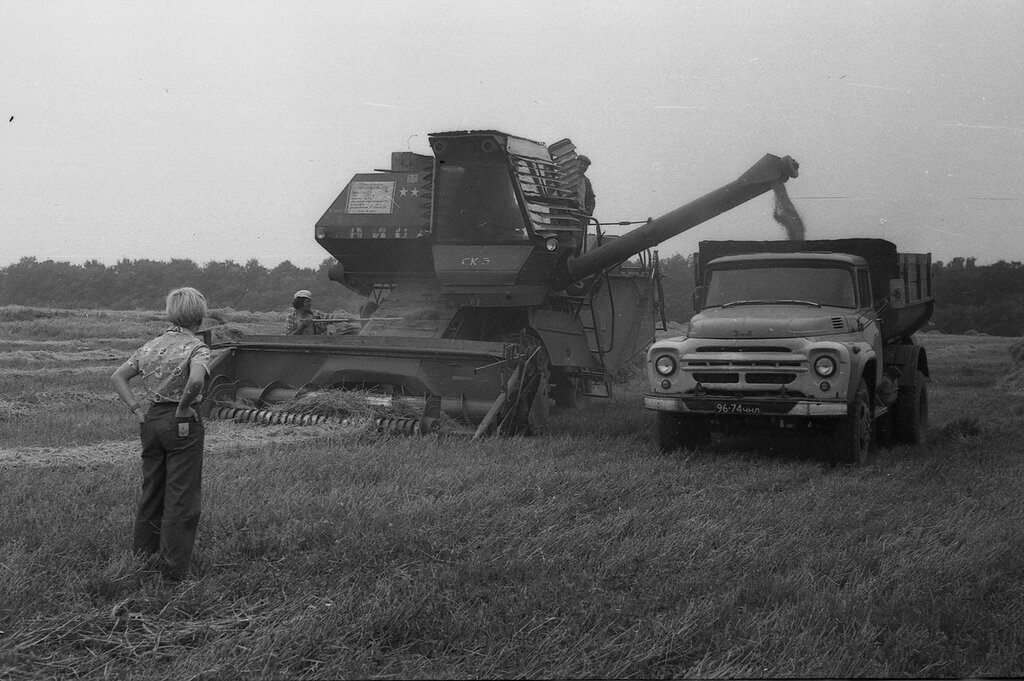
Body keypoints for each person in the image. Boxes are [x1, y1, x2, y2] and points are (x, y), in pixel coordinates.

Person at [110, 287, 211, 582]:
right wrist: (183, 408)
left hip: (151, 421)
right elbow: (195, 381)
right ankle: (172, 570)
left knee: (152, 491)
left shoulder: (151, 346)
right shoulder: (197, 348)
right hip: (181, 424)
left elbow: (118, 377)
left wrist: (137, 411)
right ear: (200, 316)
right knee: (181, 497)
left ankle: (143, 558)